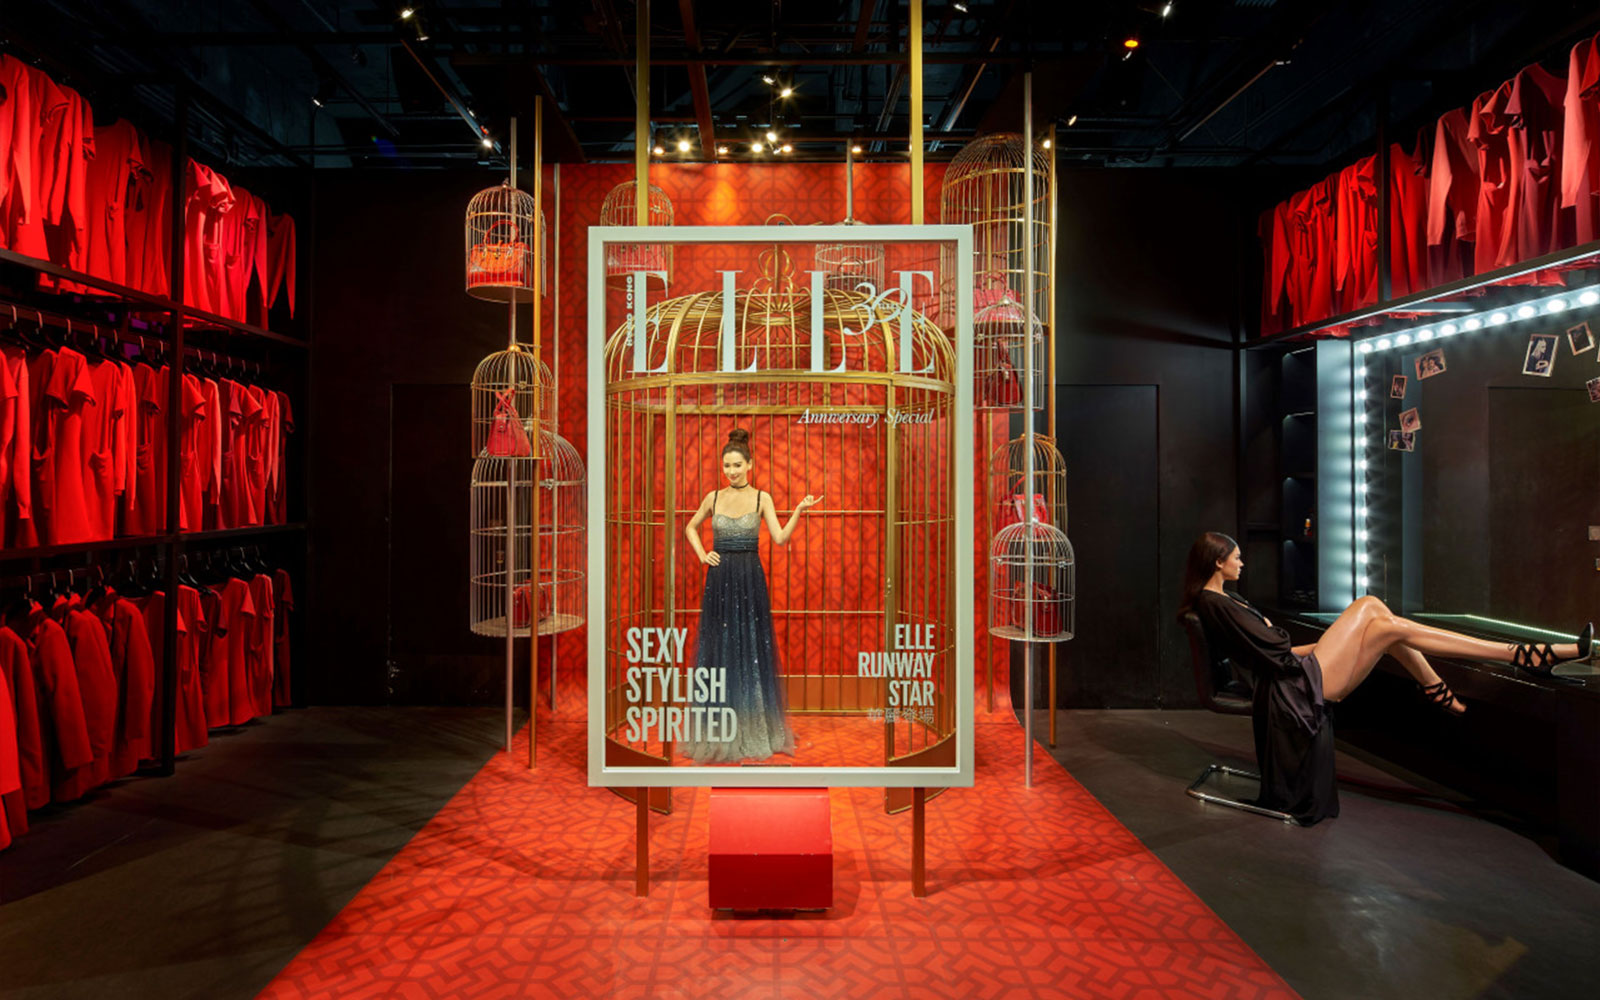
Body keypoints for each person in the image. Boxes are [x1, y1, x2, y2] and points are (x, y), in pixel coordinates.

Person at [1180, 532, 1592, 823]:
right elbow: (1276, 650)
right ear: (1218, 562)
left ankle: (1454, 680)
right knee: (1375, 611)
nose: (1242, 561)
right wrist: (1319, 641)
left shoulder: (1223, 600)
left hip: (1293, 674)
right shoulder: (1217, 603)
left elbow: (1276, 648)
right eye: (1235, 557)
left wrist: (1331, 641)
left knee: (1381, 621)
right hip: (1294, 689)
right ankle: (1516, 657)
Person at [680, 428, 822, 763]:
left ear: (750, 465)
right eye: (726, 465)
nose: (731, 471)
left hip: (749, 580)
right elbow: (690, 526)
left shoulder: (762, 498)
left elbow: (780, 538)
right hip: (719, 580)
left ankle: (753, 728)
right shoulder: (713, 497)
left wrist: (799, 510)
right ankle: (718, 728)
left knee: (750, 650)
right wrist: (702, 553)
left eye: (737, 465)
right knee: (719, 650)